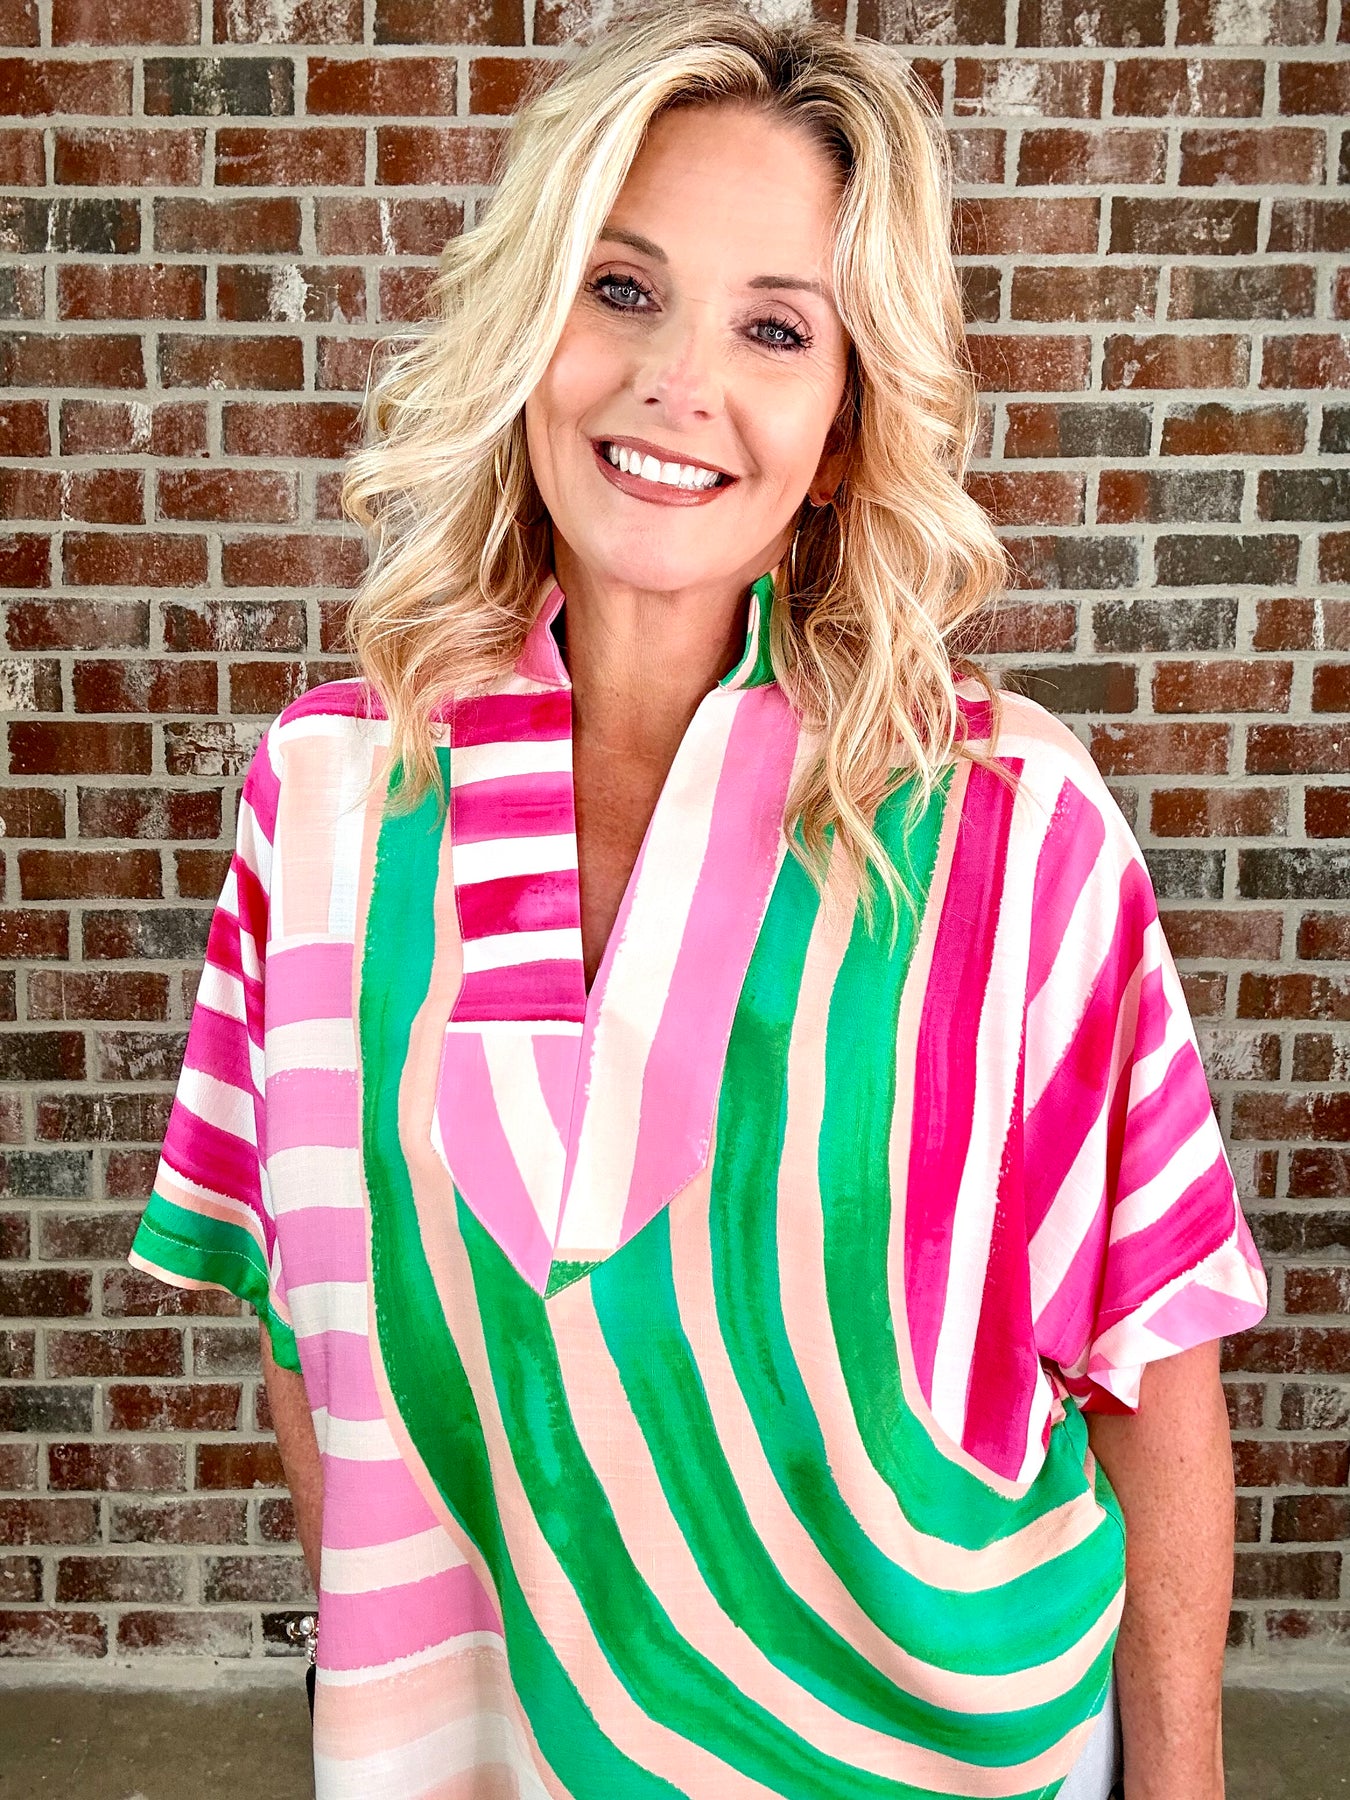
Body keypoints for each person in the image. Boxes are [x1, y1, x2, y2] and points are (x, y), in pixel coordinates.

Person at [126, 7, 1269, 1796]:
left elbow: (1154, 1365)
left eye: (773, 327)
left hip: (951, 1755)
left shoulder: (1008, 819)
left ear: (844, 418)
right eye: (622, 288)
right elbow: (303, 1323)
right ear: (529, 321)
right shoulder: (329, 799)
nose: (677, 382)